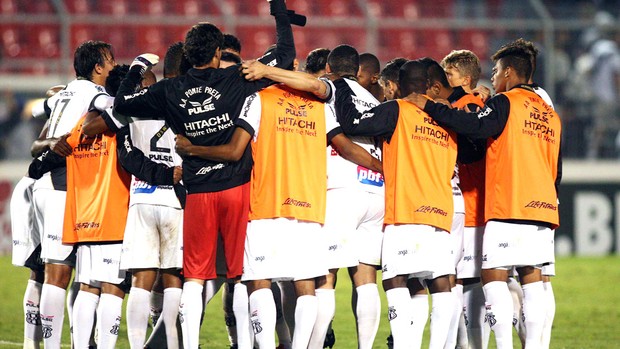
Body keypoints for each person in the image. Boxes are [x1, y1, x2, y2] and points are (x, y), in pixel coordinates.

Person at [113, 2, 296, 347]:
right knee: (240, 275)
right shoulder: (236, 77)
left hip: (197, 191)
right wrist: (280, 12)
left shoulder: (169, 90)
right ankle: (244, 343)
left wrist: (134, 70)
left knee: (194, 277)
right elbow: (285, 55)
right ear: (216, 53)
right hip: (237, 188)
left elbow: (121, 104)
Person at [174, 67, 381, 349]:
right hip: (310, 205)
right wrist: (383, 168)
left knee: (258, 281)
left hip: (266, 204)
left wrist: (192, 150)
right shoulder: (320, 108)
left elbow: (235, 151)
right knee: (306, 285)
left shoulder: (259, 100)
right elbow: (346, 147)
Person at [407, 42, 561, 349]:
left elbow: (475, 127)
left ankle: (503, 346)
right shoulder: (550, 113)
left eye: (495, 71)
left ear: (508, 72)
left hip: (510, 202)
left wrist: (430, 107)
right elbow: (557, 165)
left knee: (493, 278)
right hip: (544, 206)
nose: (493, 78)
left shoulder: (507, 102)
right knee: (533, 281)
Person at [332, 60, 458, 349]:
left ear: (398, 86)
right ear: (428, 86)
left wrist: (340, 86)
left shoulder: (396, 110)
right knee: (439, 284)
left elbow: (353, 124)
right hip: (441, 213)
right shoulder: (446, 117)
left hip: (406, 212)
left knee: (395, 280)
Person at [29, 40, 115, 349]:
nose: (114, 66)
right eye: (111, 61)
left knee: (63, 271)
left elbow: (36, 143)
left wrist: (50, 142)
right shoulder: (98, 96)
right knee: (61, 273)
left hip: (51, 186)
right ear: (98, 67)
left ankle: (71, 342)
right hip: (65, 186)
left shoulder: (62, 94)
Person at [440, 49, 490, 349]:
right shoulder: (473, 102)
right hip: (472, 203)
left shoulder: (469, 104)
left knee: (463, 279)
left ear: (467, 78)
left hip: (470, 203)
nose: (446, 80)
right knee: (467, 279)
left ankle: (467, 344)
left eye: (451, 74)